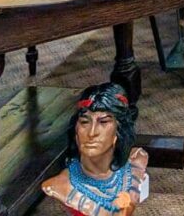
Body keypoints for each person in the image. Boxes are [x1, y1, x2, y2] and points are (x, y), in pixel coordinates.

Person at [42, 83, 148, 215]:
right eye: (85, 122)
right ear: (76, 130)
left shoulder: (135, 161)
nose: (92, 133)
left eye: (103, 122)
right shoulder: (59, 185)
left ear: (119, 130)